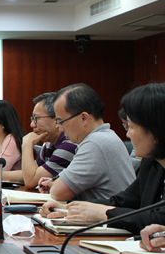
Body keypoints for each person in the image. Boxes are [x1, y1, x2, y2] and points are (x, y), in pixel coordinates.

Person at [42, 83, 165, 234]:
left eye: (131, 127)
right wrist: (71, 208)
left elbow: (158, 217)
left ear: (156, 129)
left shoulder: (97, 141)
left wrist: (104, 214)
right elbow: (124, 201)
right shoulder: (152, 163)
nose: (128, 135)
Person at [38, 83, 134, 201]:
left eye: (61, 121)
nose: (60, 128)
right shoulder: (106, 136)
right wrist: (55, 184)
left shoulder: (96, 143)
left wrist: (56, 186)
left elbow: (58, 193)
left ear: (84, 118)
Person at [10, 93, 77, 189]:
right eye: (32, 119)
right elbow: (28, 173)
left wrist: (27, 145)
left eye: (36, 118)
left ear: (57, 121)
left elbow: (31, 181)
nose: (32, 125)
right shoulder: (49, 144)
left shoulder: (69, 145)